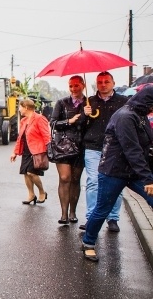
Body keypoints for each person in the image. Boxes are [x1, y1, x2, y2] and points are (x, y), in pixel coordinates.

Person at [81, 87, 153, 262]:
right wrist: (148, 179)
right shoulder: (125, 117)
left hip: (132, 172)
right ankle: (88, 243)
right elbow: (132, 150)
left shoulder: (139, 114)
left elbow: (147, 144)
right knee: (102, 209)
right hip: (113, 172)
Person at [80, 71, 128, 232]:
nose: (103, 84)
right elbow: (81, 127)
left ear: (113, 83)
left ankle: (113, 218)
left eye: (106, 81)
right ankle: (91, 219)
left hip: (116, 149)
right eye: (100, 82)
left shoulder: (124, 102)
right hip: (93, 147)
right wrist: (84, 115)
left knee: (116, 183)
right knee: (93, 182)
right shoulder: (89, 102)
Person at [49, 75, 86, 224]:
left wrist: (88, 115)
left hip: (81, 145)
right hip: (63, 146)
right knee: (65, 178)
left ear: (83, 85)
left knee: (75, 180)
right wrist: (68, 121)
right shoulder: (62, 102)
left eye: (76, 85)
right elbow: (53, 123)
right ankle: (64, 213)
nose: (73, 89)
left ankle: (73, 212)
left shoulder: (89, 103)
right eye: (71, 86)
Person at [10, 99, 51, 206]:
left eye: (20, 107)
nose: (19, 109)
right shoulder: (23, 121)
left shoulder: (39, 118)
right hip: (26, 150)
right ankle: (31, 194)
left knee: (31, 173)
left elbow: (46, 135)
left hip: (37, 151)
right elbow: (20, 138)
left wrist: (49, 150)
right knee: (25, 173)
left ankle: (42, 192)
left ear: (26, 107)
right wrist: (15, 152)